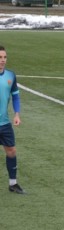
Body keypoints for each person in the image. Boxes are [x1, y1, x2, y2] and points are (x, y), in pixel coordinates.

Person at [0, 45, 24, 194]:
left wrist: (17, 114)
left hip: (4, 123)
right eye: (0, 58)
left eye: (4, 57)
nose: (2, 60)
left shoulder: (11, 75)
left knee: (11, 151)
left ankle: (13, 184)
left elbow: (15, 95)